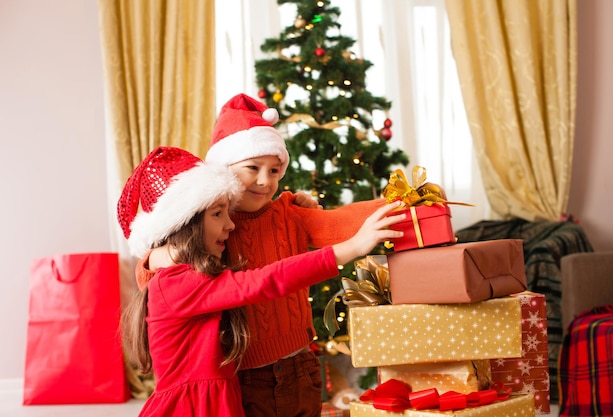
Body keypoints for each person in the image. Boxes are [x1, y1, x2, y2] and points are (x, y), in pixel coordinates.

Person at [118, 146, 404, 417]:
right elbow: (268, 279)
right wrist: (352, 247)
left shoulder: (190, 273)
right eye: (218, 214)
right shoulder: (178, 283)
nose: (231, 225)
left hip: (221, 398)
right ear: (185, 224)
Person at [203, 93, 388, 417]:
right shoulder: (206, 223)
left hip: (300, 364)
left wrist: (404, 202)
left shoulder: (289, 213)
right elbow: (163, 274)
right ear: (222, 168)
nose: (265, 181)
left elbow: (337, 222)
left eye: (275, 170)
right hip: (241, 375)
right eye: (253, 167)